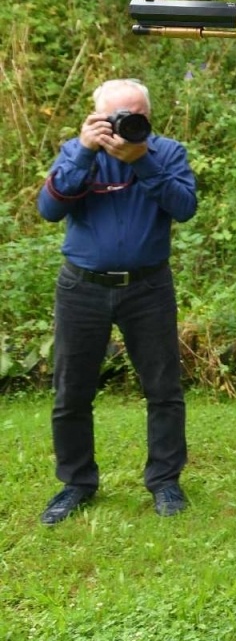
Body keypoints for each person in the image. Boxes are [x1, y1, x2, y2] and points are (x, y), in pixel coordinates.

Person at [37, 78, 198, 525]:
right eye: (115, 117)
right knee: (71, 391)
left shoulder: (166, 153)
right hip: (81, 287)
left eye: (135, 116)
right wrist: (87, 152)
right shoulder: (77, 150)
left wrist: (142, 162)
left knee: (163, 389)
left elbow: (185, 208)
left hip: (147, 287)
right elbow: (49, 209)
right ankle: (76, 483)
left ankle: (165, 481)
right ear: (96, 117)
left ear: (149, 116)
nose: (125, 123)